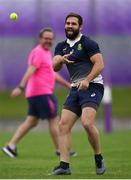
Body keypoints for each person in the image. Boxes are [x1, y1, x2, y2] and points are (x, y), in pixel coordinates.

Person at [2, 27, 77, 158]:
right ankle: (60, 149)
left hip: (36, 93)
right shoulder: (38, 52)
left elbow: (52, 74)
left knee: (32, 121)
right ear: (40, 39)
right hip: (42, 93)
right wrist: (20, 86)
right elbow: (31, 70)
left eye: (50, 38)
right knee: (54, 120)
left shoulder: (47, 53)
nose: (48, 40)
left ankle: (10, 146)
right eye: (45, 38)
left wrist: (67, 85)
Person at [50, 13, 106, 175]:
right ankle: (64, 166)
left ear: (80, 27)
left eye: (73, 24)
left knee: (87, 123)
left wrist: (87, 80)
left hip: (93, 86)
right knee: (63, 125)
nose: (69, 26)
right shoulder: (61, 46)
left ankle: (98, 157)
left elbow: (100, 64)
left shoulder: (88, 43)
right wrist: (60, 60)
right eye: (67, 23)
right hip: (75, 88)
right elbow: (55, 67)